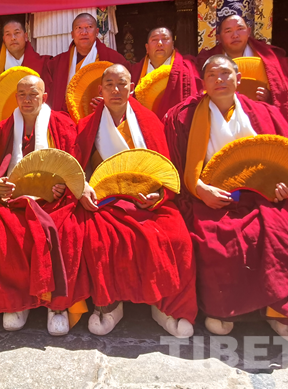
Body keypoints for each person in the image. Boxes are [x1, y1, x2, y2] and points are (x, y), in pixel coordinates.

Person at [164, 55, 288, 351]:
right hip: (210, 197)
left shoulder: (265, 113)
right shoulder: (183, 117)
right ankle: (228, 312)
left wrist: (284, 185)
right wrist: (200, 190)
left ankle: (279, 311)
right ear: (203, 82)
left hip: (264, 197)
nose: (219, 80)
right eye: (212, 75)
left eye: (225, 74)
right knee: (216, 238)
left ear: (238, 79)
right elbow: (175, 167)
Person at [72, 64, 197, 337]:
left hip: (147, 201)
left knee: (175, 236)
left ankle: (166, 306)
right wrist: (83, 188)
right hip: (106, 202)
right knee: (100, 239)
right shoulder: (87, 125)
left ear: (131, 88)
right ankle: (109, 304)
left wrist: (158, 195)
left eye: (122, 84)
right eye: (109, 85)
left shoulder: (149, 122)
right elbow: (78, 167)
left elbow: (165, 171)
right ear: (101, 90)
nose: (116, 90)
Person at [0, 75, 89, 335]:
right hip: (14, 201)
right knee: (0, 231)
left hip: (54, 201)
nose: (27, 100)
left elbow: (73, 164)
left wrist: (62, 186)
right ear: (15, 97)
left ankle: (57, 306)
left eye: (33, 95)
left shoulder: (61, 124)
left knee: (66, 230)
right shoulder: (2, 129)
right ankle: (16, 303)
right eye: (22, 95)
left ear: (44, 97)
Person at [196, 15, 288, 141]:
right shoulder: (207, 61)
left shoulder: (269, 58)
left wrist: (271, 97)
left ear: (249, 31)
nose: (235, 35)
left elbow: (286, 95)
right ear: (218, 37)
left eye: (240, 29)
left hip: (262, 120)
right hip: (222, 123)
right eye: (228, 31)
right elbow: (200, 93)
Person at [44, 13, 129, 112]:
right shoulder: (58, 62)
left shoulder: (113, 59)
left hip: (101, 116)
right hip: (66, 117)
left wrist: (108, 105)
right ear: (72, 34)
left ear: (97, 32)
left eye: (89, 27)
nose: (84, 32)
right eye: (79, 28)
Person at [0, 20, 48, 125]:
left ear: (26, 36)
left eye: (17, 33)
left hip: (34, 119)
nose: (13, 38)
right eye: (8, 34)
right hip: (3, 120)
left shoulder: (42, 63)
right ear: (4, 39)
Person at [130, 27, 201, 120]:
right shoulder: (135, 71)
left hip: (175, 125)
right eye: (154, 40)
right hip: (144, 124)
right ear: (147, 47)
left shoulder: (186, 68)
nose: (160, 43)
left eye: (165, 39)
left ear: (173, 45)